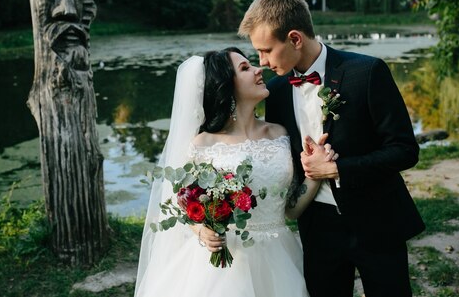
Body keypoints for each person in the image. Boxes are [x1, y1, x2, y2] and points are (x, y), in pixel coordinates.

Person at [238, 0, 425, 297]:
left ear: (295, 39)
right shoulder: (278, 91)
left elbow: (405, 150)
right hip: (318, 229)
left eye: (267, 50)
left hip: (376, 220)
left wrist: (338, 168)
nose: (262, 62)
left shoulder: (367, 73)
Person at [135, 48, 322, 297]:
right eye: (245, 68)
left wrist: (315, 173)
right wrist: (202, 230)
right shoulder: (203, 145)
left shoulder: (280, 135)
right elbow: (183, 204)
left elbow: (290, 210)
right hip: (225, 264)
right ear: (226, 86)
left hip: (280, 256)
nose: (259, 70)